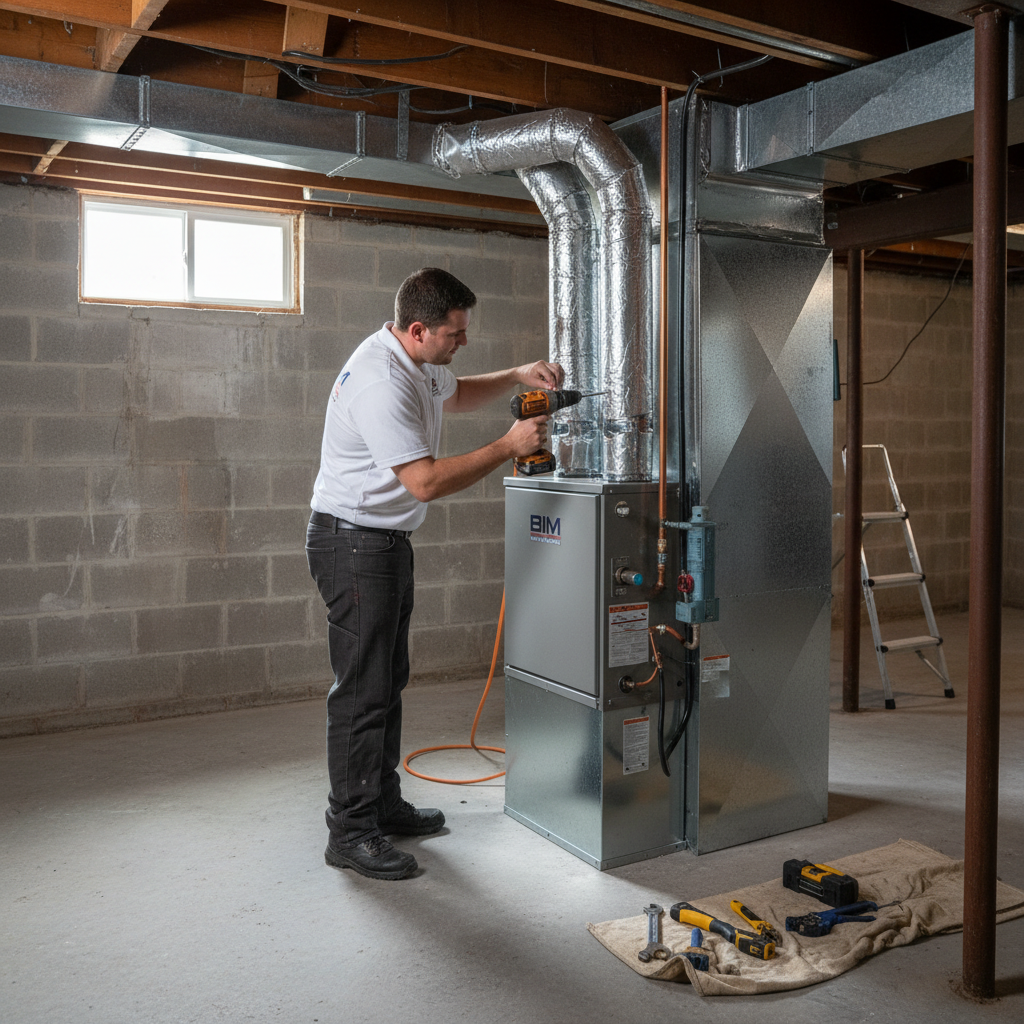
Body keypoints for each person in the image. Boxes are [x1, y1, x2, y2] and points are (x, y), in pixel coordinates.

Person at [306, 267, 563, 880]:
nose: (462, 343)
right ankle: (350, 831)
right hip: (355, 545)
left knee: (386, 682)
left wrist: (518, 374)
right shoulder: (378, 382)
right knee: (363, 690)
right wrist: (507, 446)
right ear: (419, 330)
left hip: (382, 542)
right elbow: (423, 481)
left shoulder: (414, 362)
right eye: (455, 334)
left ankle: (380, 803)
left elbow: (458, 391)